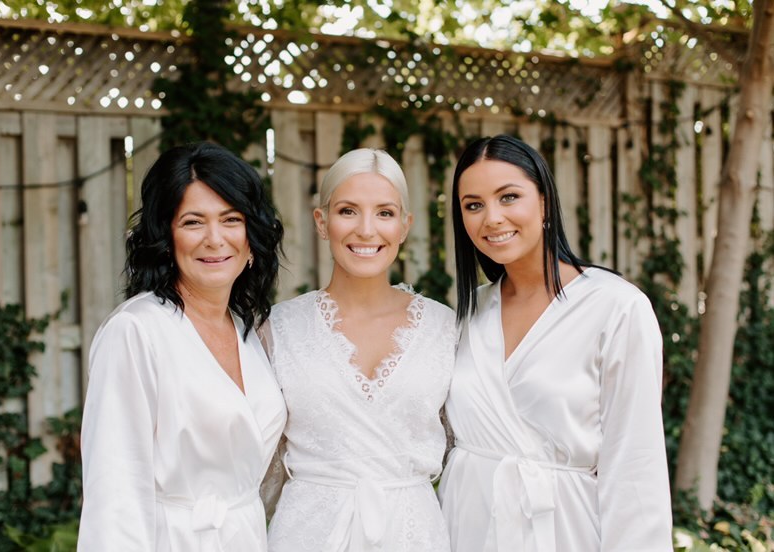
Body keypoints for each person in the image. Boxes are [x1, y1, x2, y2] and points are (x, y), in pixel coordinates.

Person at [438, 134, 673, 551]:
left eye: (508, 197)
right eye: (473, 205)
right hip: (467, 526)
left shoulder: (615, 307)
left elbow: (636, 467)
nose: (491, 217)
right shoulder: (468, 317)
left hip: (565, 531)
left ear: (544, 201)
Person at [78, 142, 286, 551]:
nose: (214, 239)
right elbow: (115, 492)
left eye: (231, 219)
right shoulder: (135, 332)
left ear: (251, 237)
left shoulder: (247, 330)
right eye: (193, 222)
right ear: (165, 235)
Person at [262, 148, 455, 552]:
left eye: (384, 213)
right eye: (348, 211)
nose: (367, 230)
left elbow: (465, 446)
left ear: (404, 226)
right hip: (307, 534)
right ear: (322, 221)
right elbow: (260, 460)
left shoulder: (445, 329)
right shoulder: (279, 329)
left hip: (414, 534)